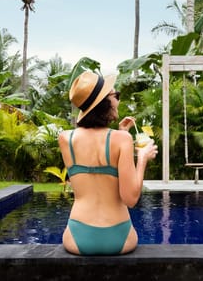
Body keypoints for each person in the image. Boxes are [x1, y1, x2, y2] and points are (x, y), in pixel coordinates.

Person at [59, 71, 158, 255]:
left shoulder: (65, 139)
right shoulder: (122, 140)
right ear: (105, 103)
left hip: (77, 237)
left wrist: (121, 133)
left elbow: (91, 149)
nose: (118, 100)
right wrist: (142, 158)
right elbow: (130, 199)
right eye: (116, 96)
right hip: (119, 237)